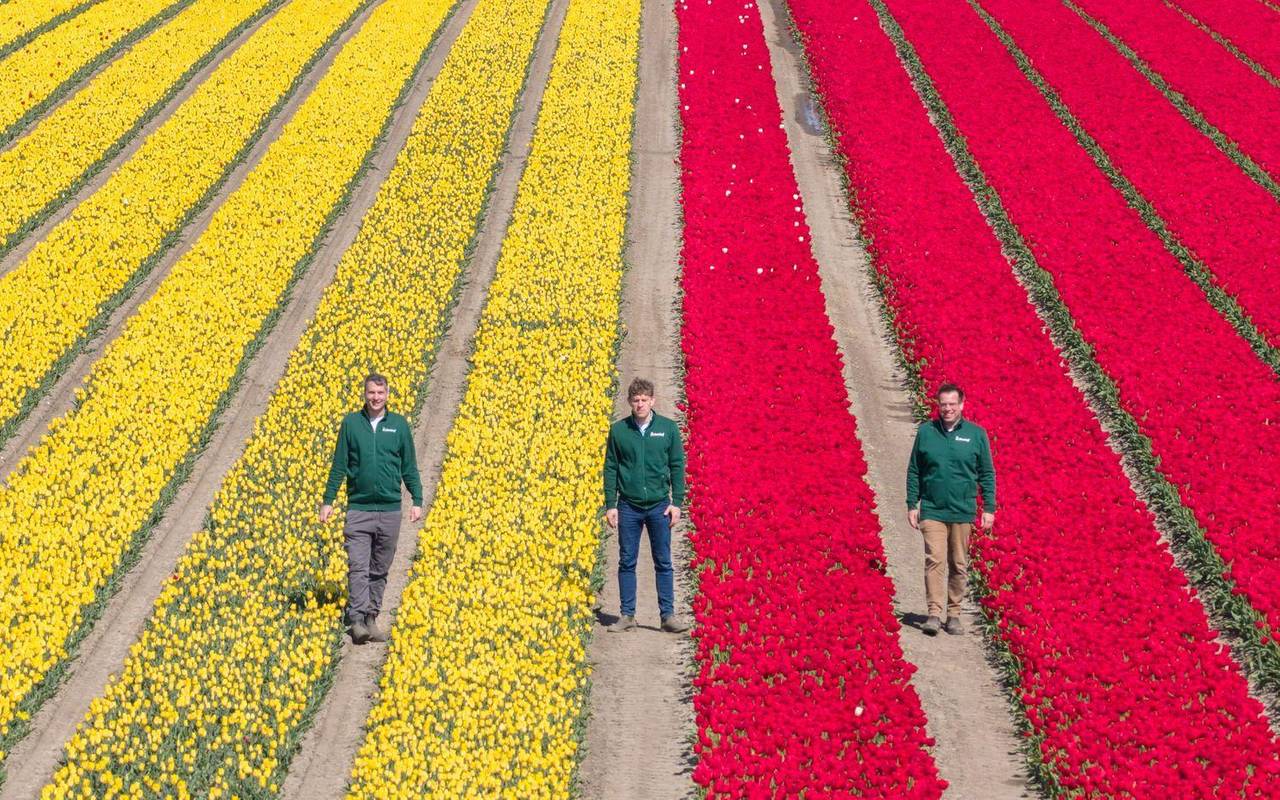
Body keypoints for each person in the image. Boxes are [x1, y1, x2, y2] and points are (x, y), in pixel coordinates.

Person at [320, 373, 423, 645]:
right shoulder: (351, 424)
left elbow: (409, 467)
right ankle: (356, 619)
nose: (375, 398)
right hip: (359, 508)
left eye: (379, 393)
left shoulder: (399, 426)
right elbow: (339, 464)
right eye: (371, 393)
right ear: (364, 395)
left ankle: (371, 618)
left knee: (379, 568)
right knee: (357, 566)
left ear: (387, 394)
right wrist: (328, 501)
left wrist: (417, 499)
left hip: (389, 510)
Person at [906, 382, 996, 637]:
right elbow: (914, 470)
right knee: (934, 559)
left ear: (962, 405)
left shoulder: (976, 435)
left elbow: (987, 473)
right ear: (938, 405)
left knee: (958, 563)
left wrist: (988, 507)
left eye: (952, 404)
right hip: (933, 509)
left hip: (962, 510)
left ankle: (953, 614)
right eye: (943, 404)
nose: (947, 409)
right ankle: (934, 614)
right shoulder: (926, 432)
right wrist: (912, 504)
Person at [603, 377, 689, 633]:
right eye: (636, 400)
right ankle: (627, 615)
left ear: (652, 401)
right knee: (627, 560)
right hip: (628, 505)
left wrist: (677, 503)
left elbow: (677, 466)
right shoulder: (619, 430)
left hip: (659, 505)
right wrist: (611, 504)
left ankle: (668, 616)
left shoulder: (668, 428)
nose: (640, 404)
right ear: (630, 402)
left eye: (644, 400)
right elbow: (610, 467)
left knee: (663, 560)